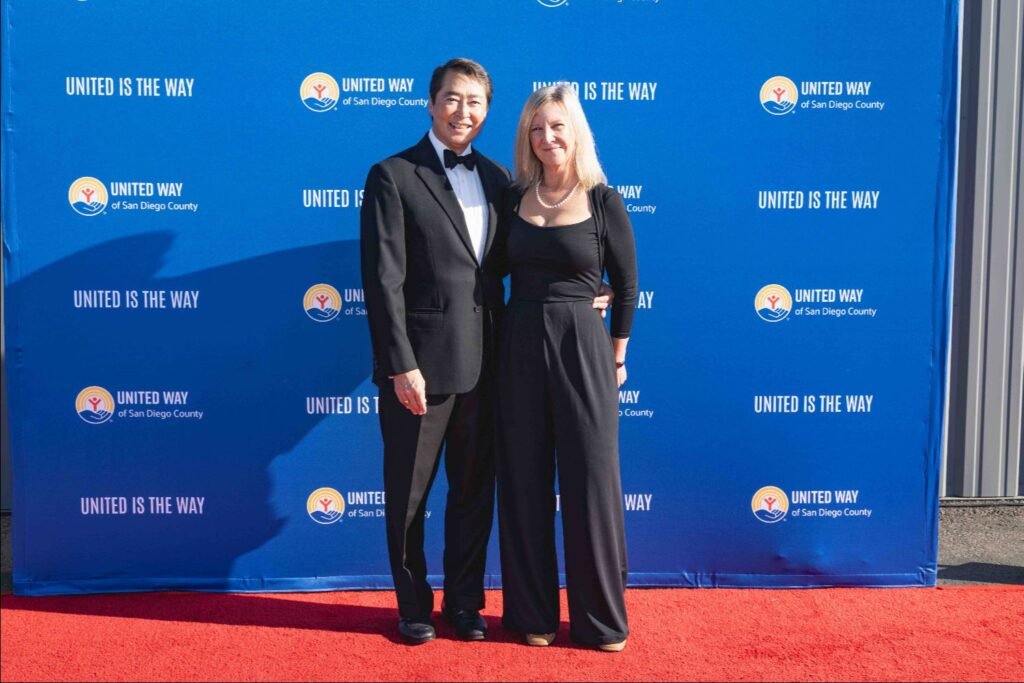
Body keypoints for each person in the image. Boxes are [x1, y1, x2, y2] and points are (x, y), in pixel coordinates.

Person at [359, 59, 610, 645]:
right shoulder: (393, 175)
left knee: (473, 495)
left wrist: (588, 292)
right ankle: (413, 607)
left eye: (474, 102)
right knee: (410, 496)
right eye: (452, 99)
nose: (462, 112)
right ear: (430, 103)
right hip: (420, 370)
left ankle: (465, 603)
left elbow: (537, 254)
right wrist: (401, 365)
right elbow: (382, 280)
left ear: (487, 112)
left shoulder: (501, 179)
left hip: (492, 367)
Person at [495, 84, 637, 653]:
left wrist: (617, 356)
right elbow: (487, 271)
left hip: (585, 346)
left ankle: (601, 622)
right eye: (536, 129)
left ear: (575, 132)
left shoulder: (604, 201)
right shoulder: (512, 198)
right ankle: (532, 616)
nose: (547, 137)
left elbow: (626, 285)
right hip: (519, 344)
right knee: (523, 481)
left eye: (556, 126)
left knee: (591, 485)